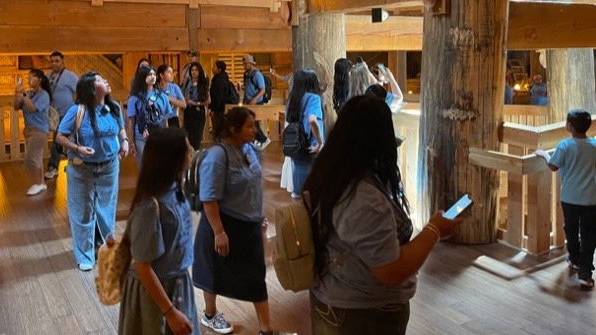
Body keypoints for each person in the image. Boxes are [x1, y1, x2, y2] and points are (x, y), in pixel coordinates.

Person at [305, 95, 462, 335]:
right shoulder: (363, 197)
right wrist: (434, 230)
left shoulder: (330, 174)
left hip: (333, 294)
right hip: (362, 311)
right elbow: (391, 270)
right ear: (380, 140)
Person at [193, 107, 279, 335]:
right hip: (225, 224)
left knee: (256, 277)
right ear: (233, 129)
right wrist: (219, 232)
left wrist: (258, 216)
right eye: (249, 126)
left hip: (247, 224)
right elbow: (209, 198)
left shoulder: (249, 149)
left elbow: (253, 184)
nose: (255, 130)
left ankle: (266, 329)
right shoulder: (218, 156)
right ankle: (209, 314)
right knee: (213, 272)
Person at [119, 128, 200, 335]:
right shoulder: (149, 206)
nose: (191, 151)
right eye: (186, 148)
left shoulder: (175, 189)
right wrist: (170, 312)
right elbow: (143, 266)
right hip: (155, 294)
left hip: (178, 284)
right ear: (171, 157)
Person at [55, 72, 128, 271]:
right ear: (91, 88)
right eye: (99, 79)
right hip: (82, 168)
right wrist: (78, 148)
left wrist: (125, 141)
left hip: (110, 166)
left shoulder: (113, 107)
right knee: (82, 211)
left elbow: (121, 128)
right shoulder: (77, 111)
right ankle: (85, 255)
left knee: (106, 209)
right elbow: (60, 136)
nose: (105, 80)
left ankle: (108, 250)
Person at [536, 109, 596, 290]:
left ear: (570, 126)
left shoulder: (564, 145)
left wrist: (543, 154)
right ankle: (585, 273)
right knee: (590, 233)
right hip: (592, 198)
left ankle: (574, 259)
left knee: (570, 228)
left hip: (570, 197)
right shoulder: (594, 145)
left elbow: (553, 166)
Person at [285, 70, 324, 199]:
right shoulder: (314, 98)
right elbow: (312, 119)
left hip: (296, 145)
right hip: (311, 147)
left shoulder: (293, 99)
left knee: (298, 189)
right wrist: (320, 142)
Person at [13, 69, 51, 196]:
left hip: (39, 129)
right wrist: (17, 94)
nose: (29, 80)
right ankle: (41, 184)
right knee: (37, 158)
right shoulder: (29, 93)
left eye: (31, 78)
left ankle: (37, 183)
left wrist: (24, 94)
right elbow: (16, 107)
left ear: (39, 79)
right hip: (29, 129)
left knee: (31, 157)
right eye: (27, 78)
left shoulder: (44, 95)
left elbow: (33, 108)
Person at [126, 66, 173, 168]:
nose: (152, 77)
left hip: (158, 134)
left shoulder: (162, 96)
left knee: (159, 166)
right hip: (141, 136)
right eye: (149, 74)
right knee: (144, 167)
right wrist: (131, 142)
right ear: (143, 77)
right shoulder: (134, 98)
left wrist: (167, 137)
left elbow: (165, 119)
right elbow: (131, 121)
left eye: (154, 74)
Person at [45, 51, 79, 180]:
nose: (54, 63)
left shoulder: (70, 76)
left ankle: (55, 167)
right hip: (54, 114)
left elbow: (80, 89)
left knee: (60, 141)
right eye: (52, 61)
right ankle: (59, 166)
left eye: (57, 61)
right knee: (59, 141)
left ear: (62, 61)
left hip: (68, 114)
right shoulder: (47, 77)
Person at [241, 54, 270, 151]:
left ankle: (264, 139)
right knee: (251, 122)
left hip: (256, 103)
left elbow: (263, 89)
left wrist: (255, 99)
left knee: (254, 123)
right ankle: (256, 141)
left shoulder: (257, 74)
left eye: (245, 64)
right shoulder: (247, 74)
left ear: (250, 63)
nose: (244, 66)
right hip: (248, 102)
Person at [181, 62, 210, 150]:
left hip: (199, 110)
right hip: (188, 110)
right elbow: (182, 95)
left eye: (196, 70)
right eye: (192, 70)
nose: (194, 72)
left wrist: (196, 103)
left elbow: (208, 100)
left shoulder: (203, 83)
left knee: (197, 135)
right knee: (188, 135)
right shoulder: (187, 82)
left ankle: (196, 154)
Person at [209, 61, 238, 141]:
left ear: (219, 69)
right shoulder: (223, 79)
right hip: (223, 109)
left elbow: (218, 97)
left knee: (218, 132)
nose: (212, 68)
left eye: (214, 67)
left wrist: (213, 109)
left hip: (219, 110)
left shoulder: (218, 81)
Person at [157, 64, 186, 128]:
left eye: (172, 72)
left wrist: (170, 99)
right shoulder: (155, 88)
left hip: (172, 119)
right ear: (161, 75)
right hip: (158, 120)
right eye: (169, 72)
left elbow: (184, 104)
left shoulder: (175, 87)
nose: (172, 75)